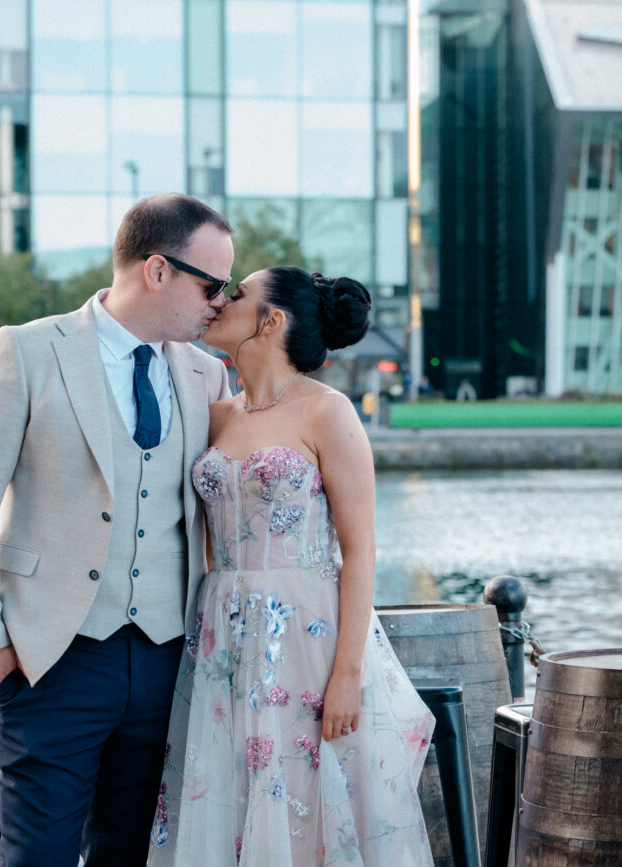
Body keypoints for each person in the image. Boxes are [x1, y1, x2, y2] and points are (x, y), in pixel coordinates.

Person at [0, 193, 234, 866]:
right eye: (211, 284)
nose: (220, 301)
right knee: (36, 856)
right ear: (156, 270)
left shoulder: (207, 374)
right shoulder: (27, 350)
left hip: (166, 658)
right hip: (51, 660)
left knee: (131, 855)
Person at [149, 267, 435, 865]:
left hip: (306, 635)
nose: (220, 300)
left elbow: (360, 551)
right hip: (221, 633)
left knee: (303, 801)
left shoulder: (327, 413)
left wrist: (347, 674)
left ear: (272, 320)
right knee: (226, 793)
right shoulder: (217, 415)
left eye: (239, 294)